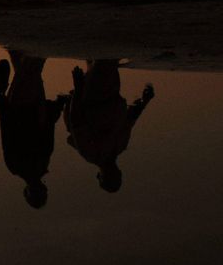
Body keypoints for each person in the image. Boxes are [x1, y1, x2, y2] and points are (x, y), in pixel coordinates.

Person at [0, 51, 64, 208]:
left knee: (32, 66)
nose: (38, 189)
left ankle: (27, 46)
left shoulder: (27, 165)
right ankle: (16, 49)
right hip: (23, 108)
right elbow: (8, 132)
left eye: (36, 192)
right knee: (28, 69)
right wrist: (2, 104)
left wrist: (57, 107)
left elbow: (10, 133)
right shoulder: (18, 166)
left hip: (27, 108)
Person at [61, 60, 154, 192]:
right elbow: (129, 120)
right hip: (112, 92)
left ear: (99, 176)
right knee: (106, 60)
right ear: (119, 173)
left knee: (103, 60)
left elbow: (76, 120)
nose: (112, 173)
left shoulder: (90, 153)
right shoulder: (120, 146)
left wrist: (78, 87)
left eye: (108, 177)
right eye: (115, 177)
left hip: (93, 97)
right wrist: (144, 101)